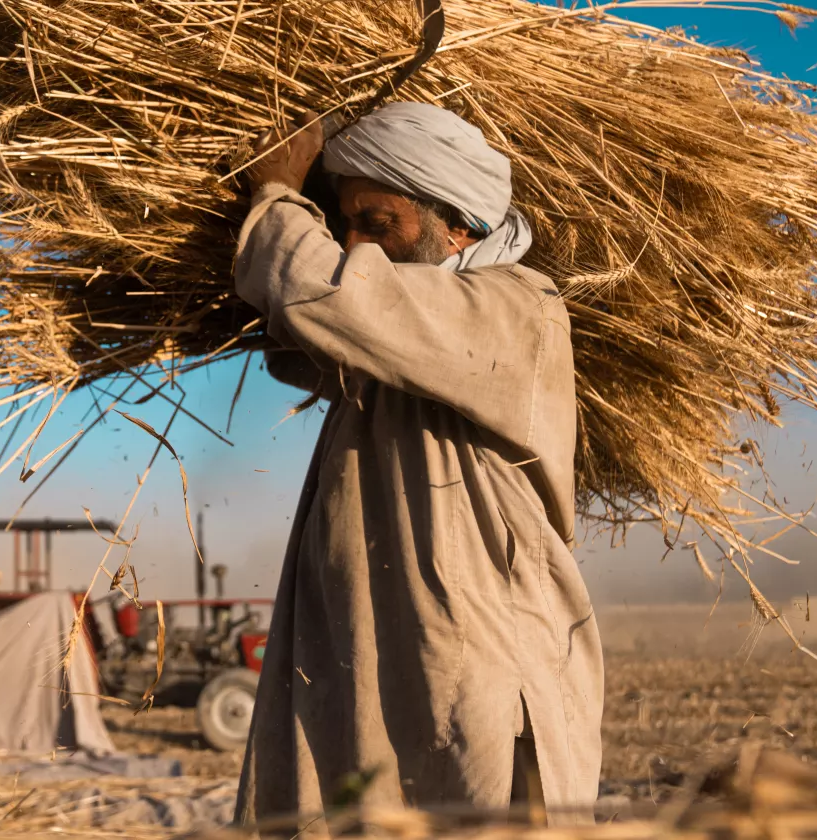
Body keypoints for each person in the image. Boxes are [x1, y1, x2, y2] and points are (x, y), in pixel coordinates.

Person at [231, 103, 601, 828]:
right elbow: (294, 339)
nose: (354, 244)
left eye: (377, 224)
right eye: (344, 226)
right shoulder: (394, 353)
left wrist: (276, 196)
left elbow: (334, 296)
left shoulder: (515, 307)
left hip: (477, 672)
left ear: (457, 226)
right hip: (378, 664)